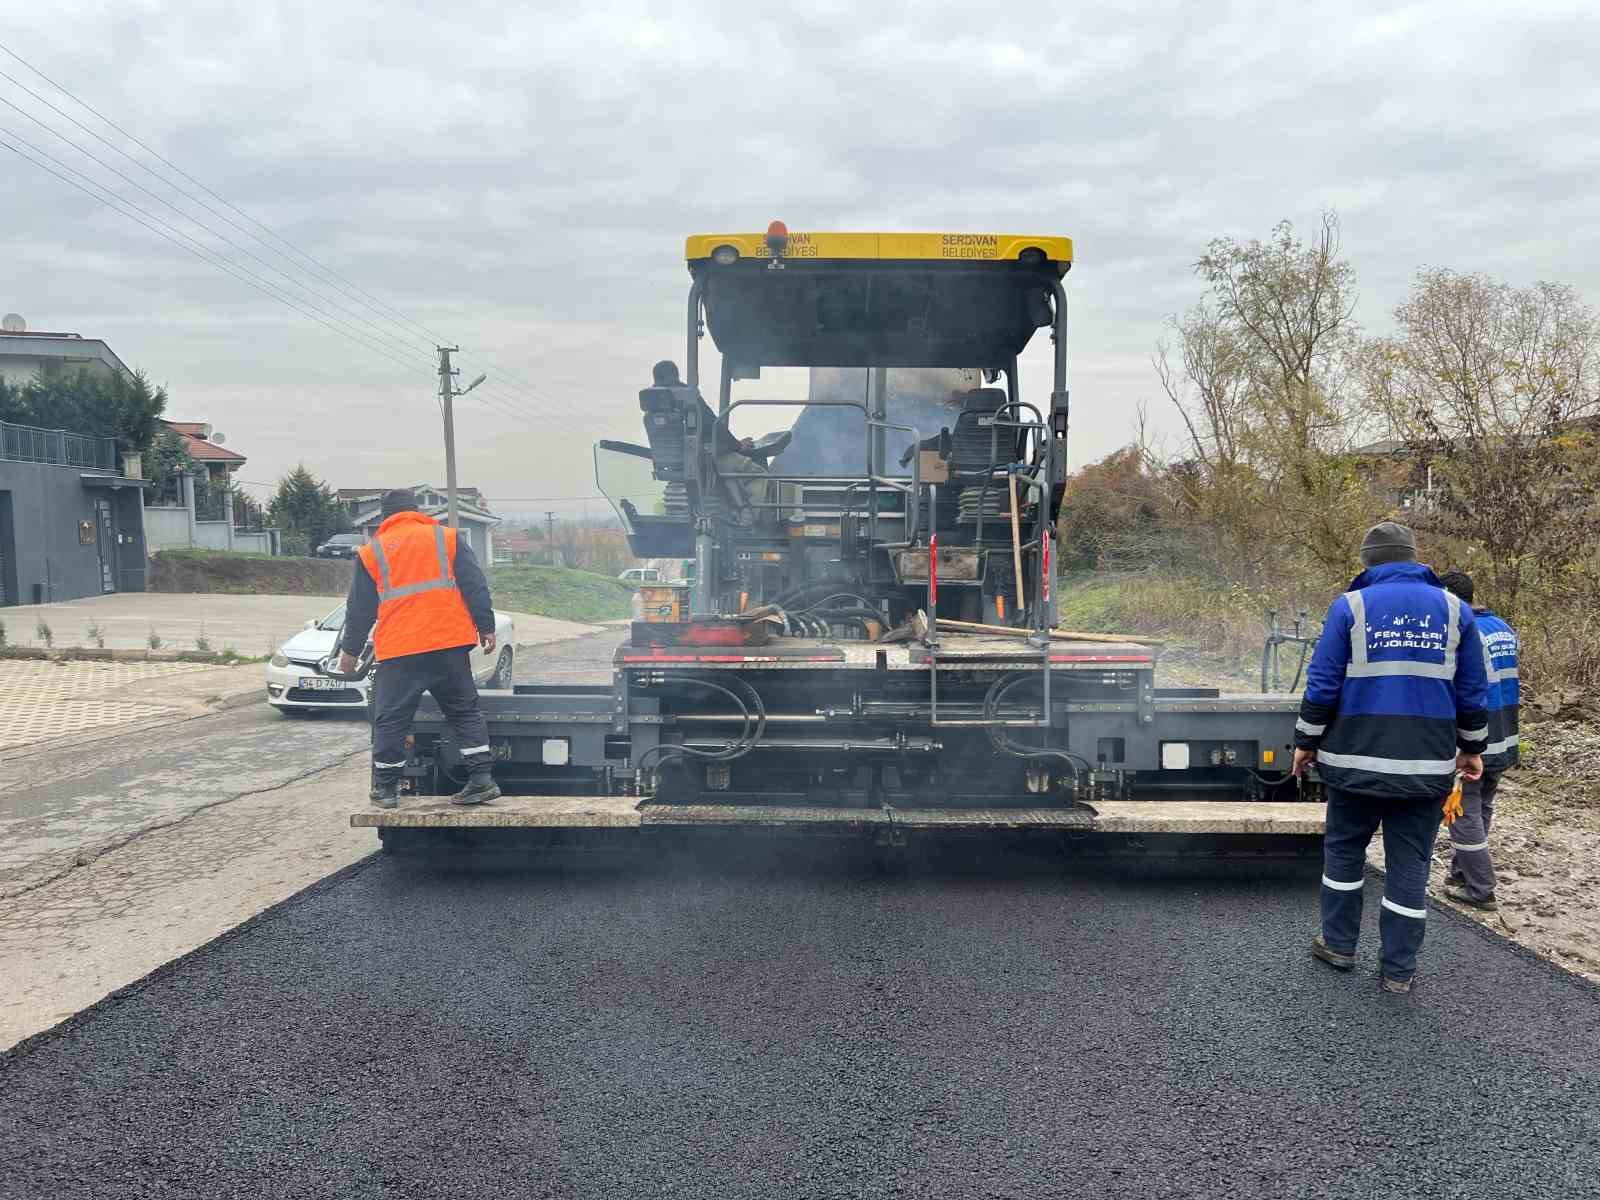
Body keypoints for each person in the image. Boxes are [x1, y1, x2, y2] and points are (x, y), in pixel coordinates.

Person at [1292, 521, 1490, 994]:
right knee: (1410, 864)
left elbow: (1323, 683)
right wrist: (1472, 747)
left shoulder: (1351, 606)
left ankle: (1338, 945)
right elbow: (1472, 689)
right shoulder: (1455, 610)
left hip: (1354, 761)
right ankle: (1398, 971)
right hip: (1425, 767)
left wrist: (1305, 740)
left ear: (1369, 562)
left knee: (1343, 851)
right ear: (1413, 556)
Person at [337, 489, 500, 809]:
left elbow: (359, 608)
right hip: (448, 644)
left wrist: (350, 650)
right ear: (415, 511)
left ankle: (385, 790)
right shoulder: (447, 538)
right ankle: (481, 779)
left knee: (392, 718)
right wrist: (486, 627)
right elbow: (475, 585)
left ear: (385, 517)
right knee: (464, 710)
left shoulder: (373, 552)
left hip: (401, 649)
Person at [1438, 570, 1520, 911]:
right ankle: (1461, 873)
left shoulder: (1463, 631)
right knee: (1482, 806)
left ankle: (1480, 889)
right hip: (1505, 733)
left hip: (1478, 738)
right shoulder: (1503, 627)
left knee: (1462, 811)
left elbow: (1467, 689)